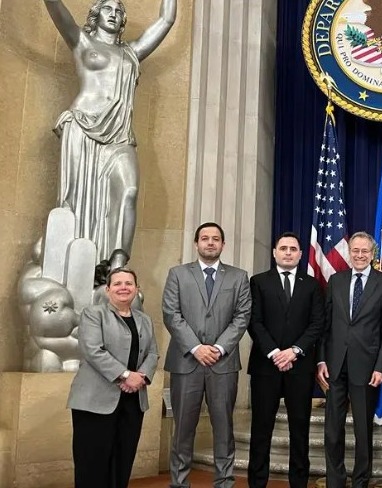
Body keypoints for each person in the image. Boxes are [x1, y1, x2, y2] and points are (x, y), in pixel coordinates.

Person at [44, 0, 176, 262]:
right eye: (108, 9)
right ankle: (73, 263)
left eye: (119, 11)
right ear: (96, 14)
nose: (114, 14)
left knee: (129, 191)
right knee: (74, 203)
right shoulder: (82, 41)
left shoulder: (132, 52)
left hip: (120, 135)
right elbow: (56, 9)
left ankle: (117, 264)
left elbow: (166, 20)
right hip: (82, 127)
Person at [162, 222, 252, 488]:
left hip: (222, 364)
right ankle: (179, 483)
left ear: (223, 244)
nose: (210, 242)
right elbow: (171, 313)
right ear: (196, 243)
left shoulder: (238, 276)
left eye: (215, 239)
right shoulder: (177, 274)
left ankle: (224, 481)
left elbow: (242, 315)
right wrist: (196, 348)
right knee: (183, 429)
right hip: (185, 361)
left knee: (224, 428)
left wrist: (219, 348)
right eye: (205, 238)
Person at [316, 231, 382, 488]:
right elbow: (325, 326)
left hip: (367, 367)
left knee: (363, 431)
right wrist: (321, 360)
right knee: (332, 430)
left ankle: (361, 481)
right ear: (349, 253)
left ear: (372, 255)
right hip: (335, 365)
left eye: (365, 251)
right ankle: (336, 481)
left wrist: (381, 367)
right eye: (355, 251)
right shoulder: (335, 281)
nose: (360, 255)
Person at [246, 232, 326, 488]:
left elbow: (317, 323)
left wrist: (294, 351)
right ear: (274, 252)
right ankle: (257, 482)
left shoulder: (312, 285)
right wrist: (274, 353)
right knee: (261, 429)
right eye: (283, 248)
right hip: (265, 366)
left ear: (301, 254)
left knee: (299, 429)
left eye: (293, 249)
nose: (288, 252)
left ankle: (298, 482)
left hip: (300, 366)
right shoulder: (258, 282)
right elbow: (254, 321)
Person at [67, 267, 158, 488]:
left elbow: (153, 353)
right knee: (92, 462)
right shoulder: (93, 314)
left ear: (137, 289)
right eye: (117, 283)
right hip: (95, 401)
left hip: (132, 401)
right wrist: (125, 375)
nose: (123, 287)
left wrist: (141, 377)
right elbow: (92, 350)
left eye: (129, 283)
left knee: (123, 459)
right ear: (107, 290)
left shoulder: (144, 320)